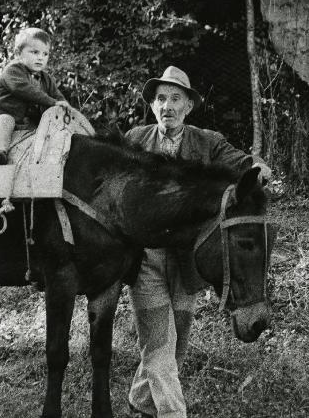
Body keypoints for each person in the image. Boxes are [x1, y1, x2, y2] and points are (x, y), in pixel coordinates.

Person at [125, 66, 271, 418]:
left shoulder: (208, 142)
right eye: (161, 99)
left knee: (177, 348)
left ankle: (139, 402)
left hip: (188, 262)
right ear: (152, 105)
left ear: (188, 106)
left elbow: (243, 164)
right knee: (159, 344)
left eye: (176, 98)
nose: (167, 106)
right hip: (146, 259)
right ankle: (174, 414)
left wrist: (258, 165)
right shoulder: (134, 142)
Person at [0, 27, 74, 164]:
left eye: (45, 54)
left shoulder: (46, 78)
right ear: (19, 53)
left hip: (22, 122)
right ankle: (0, 153)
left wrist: (63, 105)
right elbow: (25, 90)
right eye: (34, 52)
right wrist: (52, 102)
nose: (40, 58)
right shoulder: (13, 70)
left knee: (42, 131)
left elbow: (57, 95)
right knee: (6, 120)